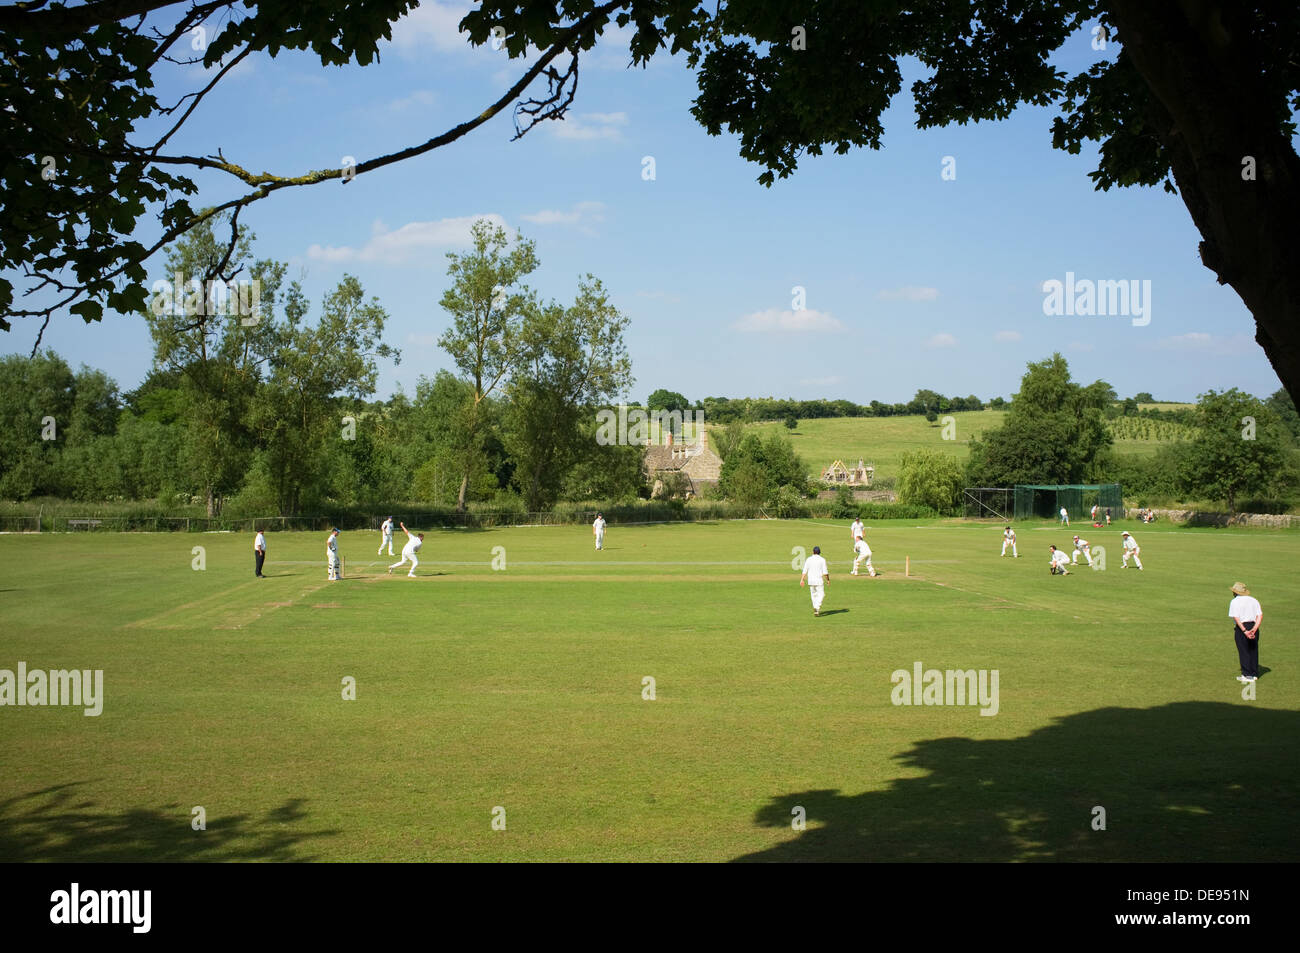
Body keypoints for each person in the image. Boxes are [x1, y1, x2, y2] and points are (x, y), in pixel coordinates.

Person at [1228, 582, 1262, 684]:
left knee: (1244, 650)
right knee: (1253, 650)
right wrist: (1255, 629)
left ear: (1235, 592)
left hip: (1242, 627)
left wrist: (1244, 631)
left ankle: (1247, 675)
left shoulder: (1234, 602)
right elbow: (1260, 615)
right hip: (1254, 626)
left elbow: (1236, 617)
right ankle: (1254, 674)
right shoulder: (1254, 600)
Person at [800, 545, 830, 616]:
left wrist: (802, 579)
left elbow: (805, 570)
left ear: (813, 552)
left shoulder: (809, 559)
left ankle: (816, 609)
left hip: (811, 581)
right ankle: (817, 607)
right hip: (819, 580)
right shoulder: (822, 560)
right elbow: (825, 572)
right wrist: (828, 580)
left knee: (814, 595)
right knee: (822, 594)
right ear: (819, 552)